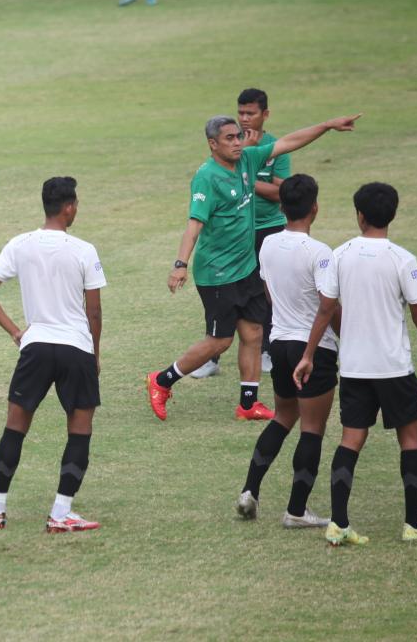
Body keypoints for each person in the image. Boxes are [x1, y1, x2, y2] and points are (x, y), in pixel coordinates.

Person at [144, 112, 360, 422]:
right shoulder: (206, 177)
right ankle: (161, 380)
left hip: (246, 268)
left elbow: (288, 143)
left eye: (238, 136)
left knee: (254, 333)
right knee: (220, 340)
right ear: (212, 144)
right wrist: (180, 265)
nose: (237, 142)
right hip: (217, 273)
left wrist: (326, 126)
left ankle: (248, 404)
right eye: (229, 138)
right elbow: (194, 224)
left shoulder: (246, 160)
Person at [294, 182, 417, 546]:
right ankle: (413, 524)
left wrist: (308, 354)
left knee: (351, 439)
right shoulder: (402, 259)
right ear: (392, 215)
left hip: (354, 367)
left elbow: (327, 307)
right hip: (394, 367)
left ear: (360, 215)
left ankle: (338, 523)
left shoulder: (340, 254)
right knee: (411, 438)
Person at [0, 177, 105, 533]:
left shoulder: (20, 244)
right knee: (79, 432)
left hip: (36, 347)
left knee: (15, 428)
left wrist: (15, 331)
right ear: (69, 207)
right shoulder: (84, 250)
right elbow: (95, 313)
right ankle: (61, 512)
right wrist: (95, 353)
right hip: (76, 348)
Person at [234, 175, 335, 528]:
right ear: (315, 208)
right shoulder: (320, 252)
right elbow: (327, 307)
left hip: (279, 343)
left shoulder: (269, 245)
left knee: (282, 417)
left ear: (281, 207)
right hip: (313, 349)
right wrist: (312, 351)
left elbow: (269, 290)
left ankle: (250, 490)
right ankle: (296, 511)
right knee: (312, 429)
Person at [192, 88, 293, 379]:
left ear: (265, 114)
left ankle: (264, 351)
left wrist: (245, 180)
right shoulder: (234, 154)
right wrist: (244, 178)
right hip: (235, 236)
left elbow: (281, 191)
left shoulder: (263, 150)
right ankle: (212, 357)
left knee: (263, 293)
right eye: (242, 113)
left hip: (268, 227)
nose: (245, 119)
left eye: (251, 113)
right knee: (223, 296)